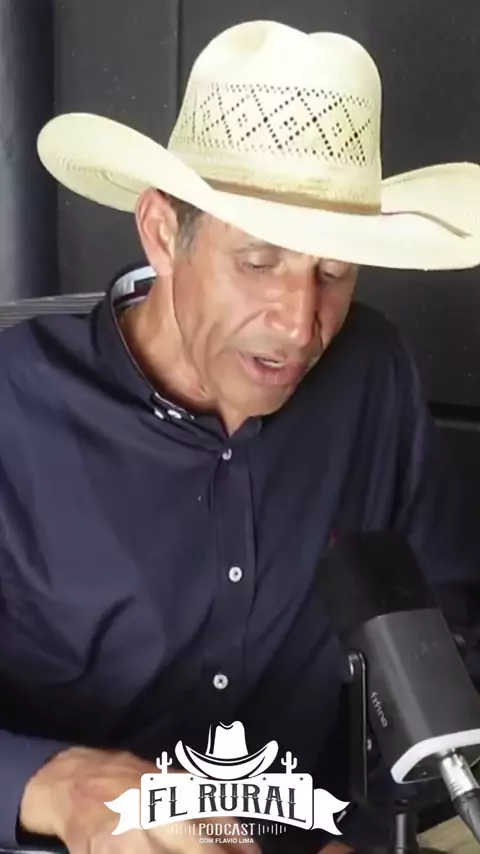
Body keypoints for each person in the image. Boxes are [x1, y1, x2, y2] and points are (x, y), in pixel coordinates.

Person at [2, 17, 480, 854]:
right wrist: (55, 786)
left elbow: (445, 642)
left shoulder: (373, 374)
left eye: (333, 271)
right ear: (162, 232)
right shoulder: (15, 405)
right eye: (260, 262)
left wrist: (367, 831)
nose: (300, 324)